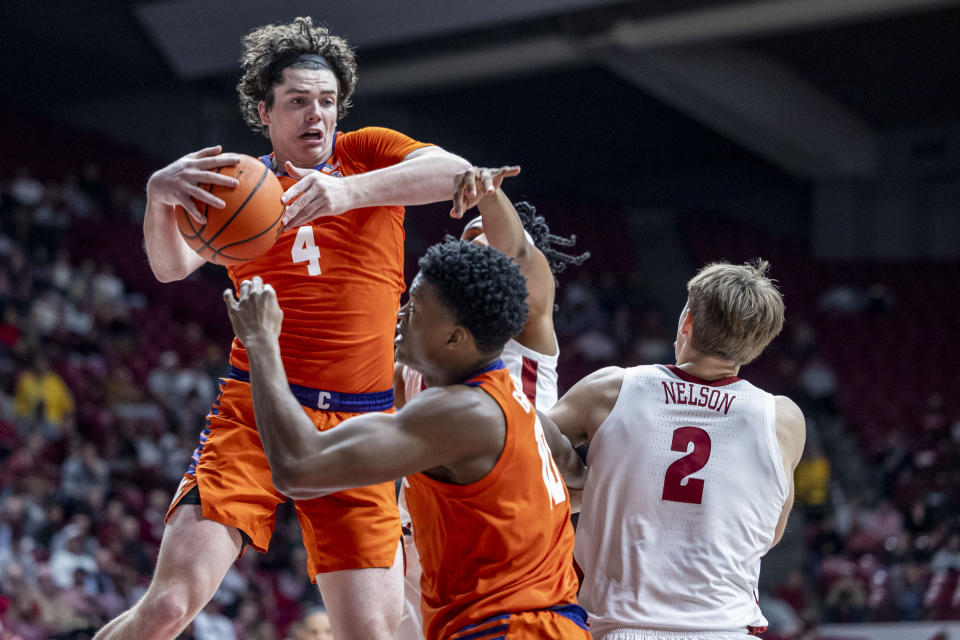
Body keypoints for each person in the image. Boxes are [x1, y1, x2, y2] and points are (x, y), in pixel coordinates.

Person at [94, 16, 470, 640]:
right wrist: (159, 197)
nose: (315, 116)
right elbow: (170, 267)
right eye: (297, 102)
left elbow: (456, 172)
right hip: (257, 413)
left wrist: (348, 195)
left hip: (362, 422)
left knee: (372, 635)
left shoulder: (367, 154)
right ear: (264, 111)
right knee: (165, 609)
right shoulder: (239, 186)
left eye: (326, 102)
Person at [223, 241, 591, 640]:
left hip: (509, 628)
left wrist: (261, 344)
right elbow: (582, 480)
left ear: (455, 338)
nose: (401, 314)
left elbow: (298, 468)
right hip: (543, 624)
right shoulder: (520, 406)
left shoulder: (461, 415)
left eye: (415, 308)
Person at [548, 260, 806, 640]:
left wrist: (593, 490)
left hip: (619, 627)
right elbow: (768, 533)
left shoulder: (610, 390)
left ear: (686, 321)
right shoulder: (783, 420)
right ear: (757, 346)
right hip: (728, 629)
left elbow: (523, 456)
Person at [394, 166, 589, 639]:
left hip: (508, 528)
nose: (473, 249)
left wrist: (488, 196)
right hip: (421, 534)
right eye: (466, 238)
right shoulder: (415, 353)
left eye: (484, 236)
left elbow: (517, 253)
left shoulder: (525, 321)